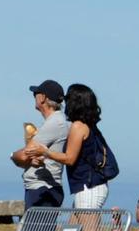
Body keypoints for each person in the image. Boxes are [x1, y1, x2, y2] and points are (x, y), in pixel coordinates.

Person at [32, 84, 116, 212]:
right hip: (91, 186)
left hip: (88, 187)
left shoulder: (78, 126)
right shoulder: (89, 126)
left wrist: (45, 152)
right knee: (72, 229)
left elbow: (70, 158)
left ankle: (117, 228)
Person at [13, 79, 70, 212]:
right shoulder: (60, 121)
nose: (34, 97)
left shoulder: (54, 123)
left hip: (42, 188)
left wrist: (12, 155)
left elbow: (22, 156)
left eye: (36, 94)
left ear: (43, 98)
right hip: (46, 188)